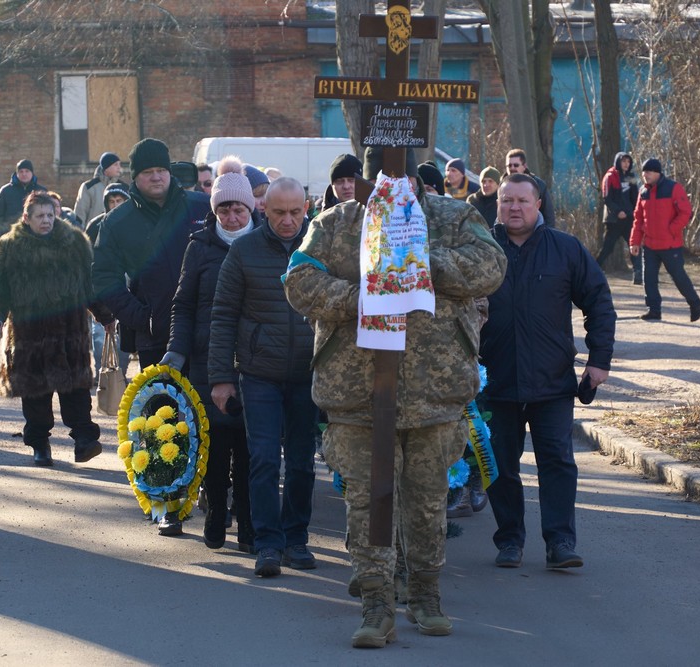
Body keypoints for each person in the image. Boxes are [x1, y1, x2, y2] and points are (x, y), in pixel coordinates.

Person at [284, 148, 507, 647]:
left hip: (435, 390)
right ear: (367, 182)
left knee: (427, 504)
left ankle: (426, 594)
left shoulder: (452, 217)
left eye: (402, 176)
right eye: (382, 178)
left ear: (416, 178)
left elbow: (491, 265)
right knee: (367, 505)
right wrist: (357, 297)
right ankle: (375, 605)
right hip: (357, 391)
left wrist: (423, 261)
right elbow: (298, 281)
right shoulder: (337, 223)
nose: (394, 186)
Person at [479, 173, 615, 571]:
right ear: (498, 204)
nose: (514, 208)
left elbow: (599, 302)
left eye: (522, 200)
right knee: (500, 464)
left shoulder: (565, 249)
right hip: (495, 380)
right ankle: (509, 541)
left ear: (539, 204)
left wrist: (599, 360)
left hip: (551, 381)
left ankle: (560, 542)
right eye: (507, 201)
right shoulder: (481, 250)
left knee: (556, 461)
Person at [208, 177, 317, 578]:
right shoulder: (244, 250)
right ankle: (268, 543)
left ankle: (297, 539)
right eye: (278, 213)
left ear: (306, 208)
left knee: (303, 463)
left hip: (310, 373)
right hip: (259, 375)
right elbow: (222, 316)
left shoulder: (320, 247)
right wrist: (221, 377)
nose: (287, 221)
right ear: (263, 210)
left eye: (295, 212)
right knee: (265, 459)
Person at [162, 169, 259, 552]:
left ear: (250, 208)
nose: (232, 218)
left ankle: (249, 520)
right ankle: (217, 510)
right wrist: (177, 348)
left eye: (238, 209)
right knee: (215, 443)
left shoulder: (264, 241)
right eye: (224, 211)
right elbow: (183, 304)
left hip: (255, 358)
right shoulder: (199, 246)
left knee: (252, 446)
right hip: (208, 357)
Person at [0, 192, 111, 467]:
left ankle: (84, 440)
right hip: (30, 335)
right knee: (36, 394)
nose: (46, 220)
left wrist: (105, 315)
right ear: (26, 218)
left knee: (76, 390)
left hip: (69, 333)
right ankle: (40, 444)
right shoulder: (9, 247)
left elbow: (90, 285)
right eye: (40, 215)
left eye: (50, 215)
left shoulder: (75, 243)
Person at [92, 138, 211, 382]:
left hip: (208, 334)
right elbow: (104, 277)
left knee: (210, 415)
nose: (156, 177)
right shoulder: (116, 222)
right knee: (162, 414)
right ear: (135, 176)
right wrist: (141, 318)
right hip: (155, 338)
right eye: (148, 172)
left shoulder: (202, 208)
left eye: (161, 170)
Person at [629, 158, 700, 322]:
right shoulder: (643, 192)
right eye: (643, 172)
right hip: (649, 245)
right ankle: (654, 310)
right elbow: (638, 219)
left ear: (657, 173)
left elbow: (685, 212)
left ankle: (695, 302)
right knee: (649, 279)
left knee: (678, 277)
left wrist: (671, 229)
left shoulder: (673, 188)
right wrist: (634, 241)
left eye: (648, 172)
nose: (645, 175)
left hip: (670, 245)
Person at [84, 182, 131, 378]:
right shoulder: (96, 225)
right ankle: (101, 373)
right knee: (99, 337)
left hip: (128, 287)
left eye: (119, 200)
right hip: (102, 286)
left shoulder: (134, 223)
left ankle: (119, 375)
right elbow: (88, 259)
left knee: (124, 338)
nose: (115, 204)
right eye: (111, 201)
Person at [596, 152, 642, 285]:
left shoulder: (631, 177)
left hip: (629, 218)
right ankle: (594, 269)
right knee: (608, 247)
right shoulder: (610, 176)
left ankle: (638, 273)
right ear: (618, 162)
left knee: (634, 245)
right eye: (624, 161)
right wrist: (617, 211)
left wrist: (636, 213)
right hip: (614, 220)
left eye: (628, 162)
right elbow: (607, 198)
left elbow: (635, 197)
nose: (626, 164)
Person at [0, 158, 46, 236]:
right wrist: (3, 231)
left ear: (32, 173)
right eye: (21, 171)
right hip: (11, 235)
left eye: (27, 171)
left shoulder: (41, 191)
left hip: (35, 235)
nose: (24, 174)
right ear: (17, 174)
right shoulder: (6, 191)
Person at [505, 149, 555, 227]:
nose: (512, 168)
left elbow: (549, 216)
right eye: (509, 165)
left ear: (524, 166)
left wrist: (546, 236)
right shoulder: (501, 186)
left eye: (516, 165)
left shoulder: (538, 185)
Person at [74, 152, 124, 224]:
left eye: (120, 164)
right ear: (106, 168)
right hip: (93, 233)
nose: (119, 167)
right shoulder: (88, 187)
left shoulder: (123, 187)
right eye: (115, 164)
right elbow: (80, 214)